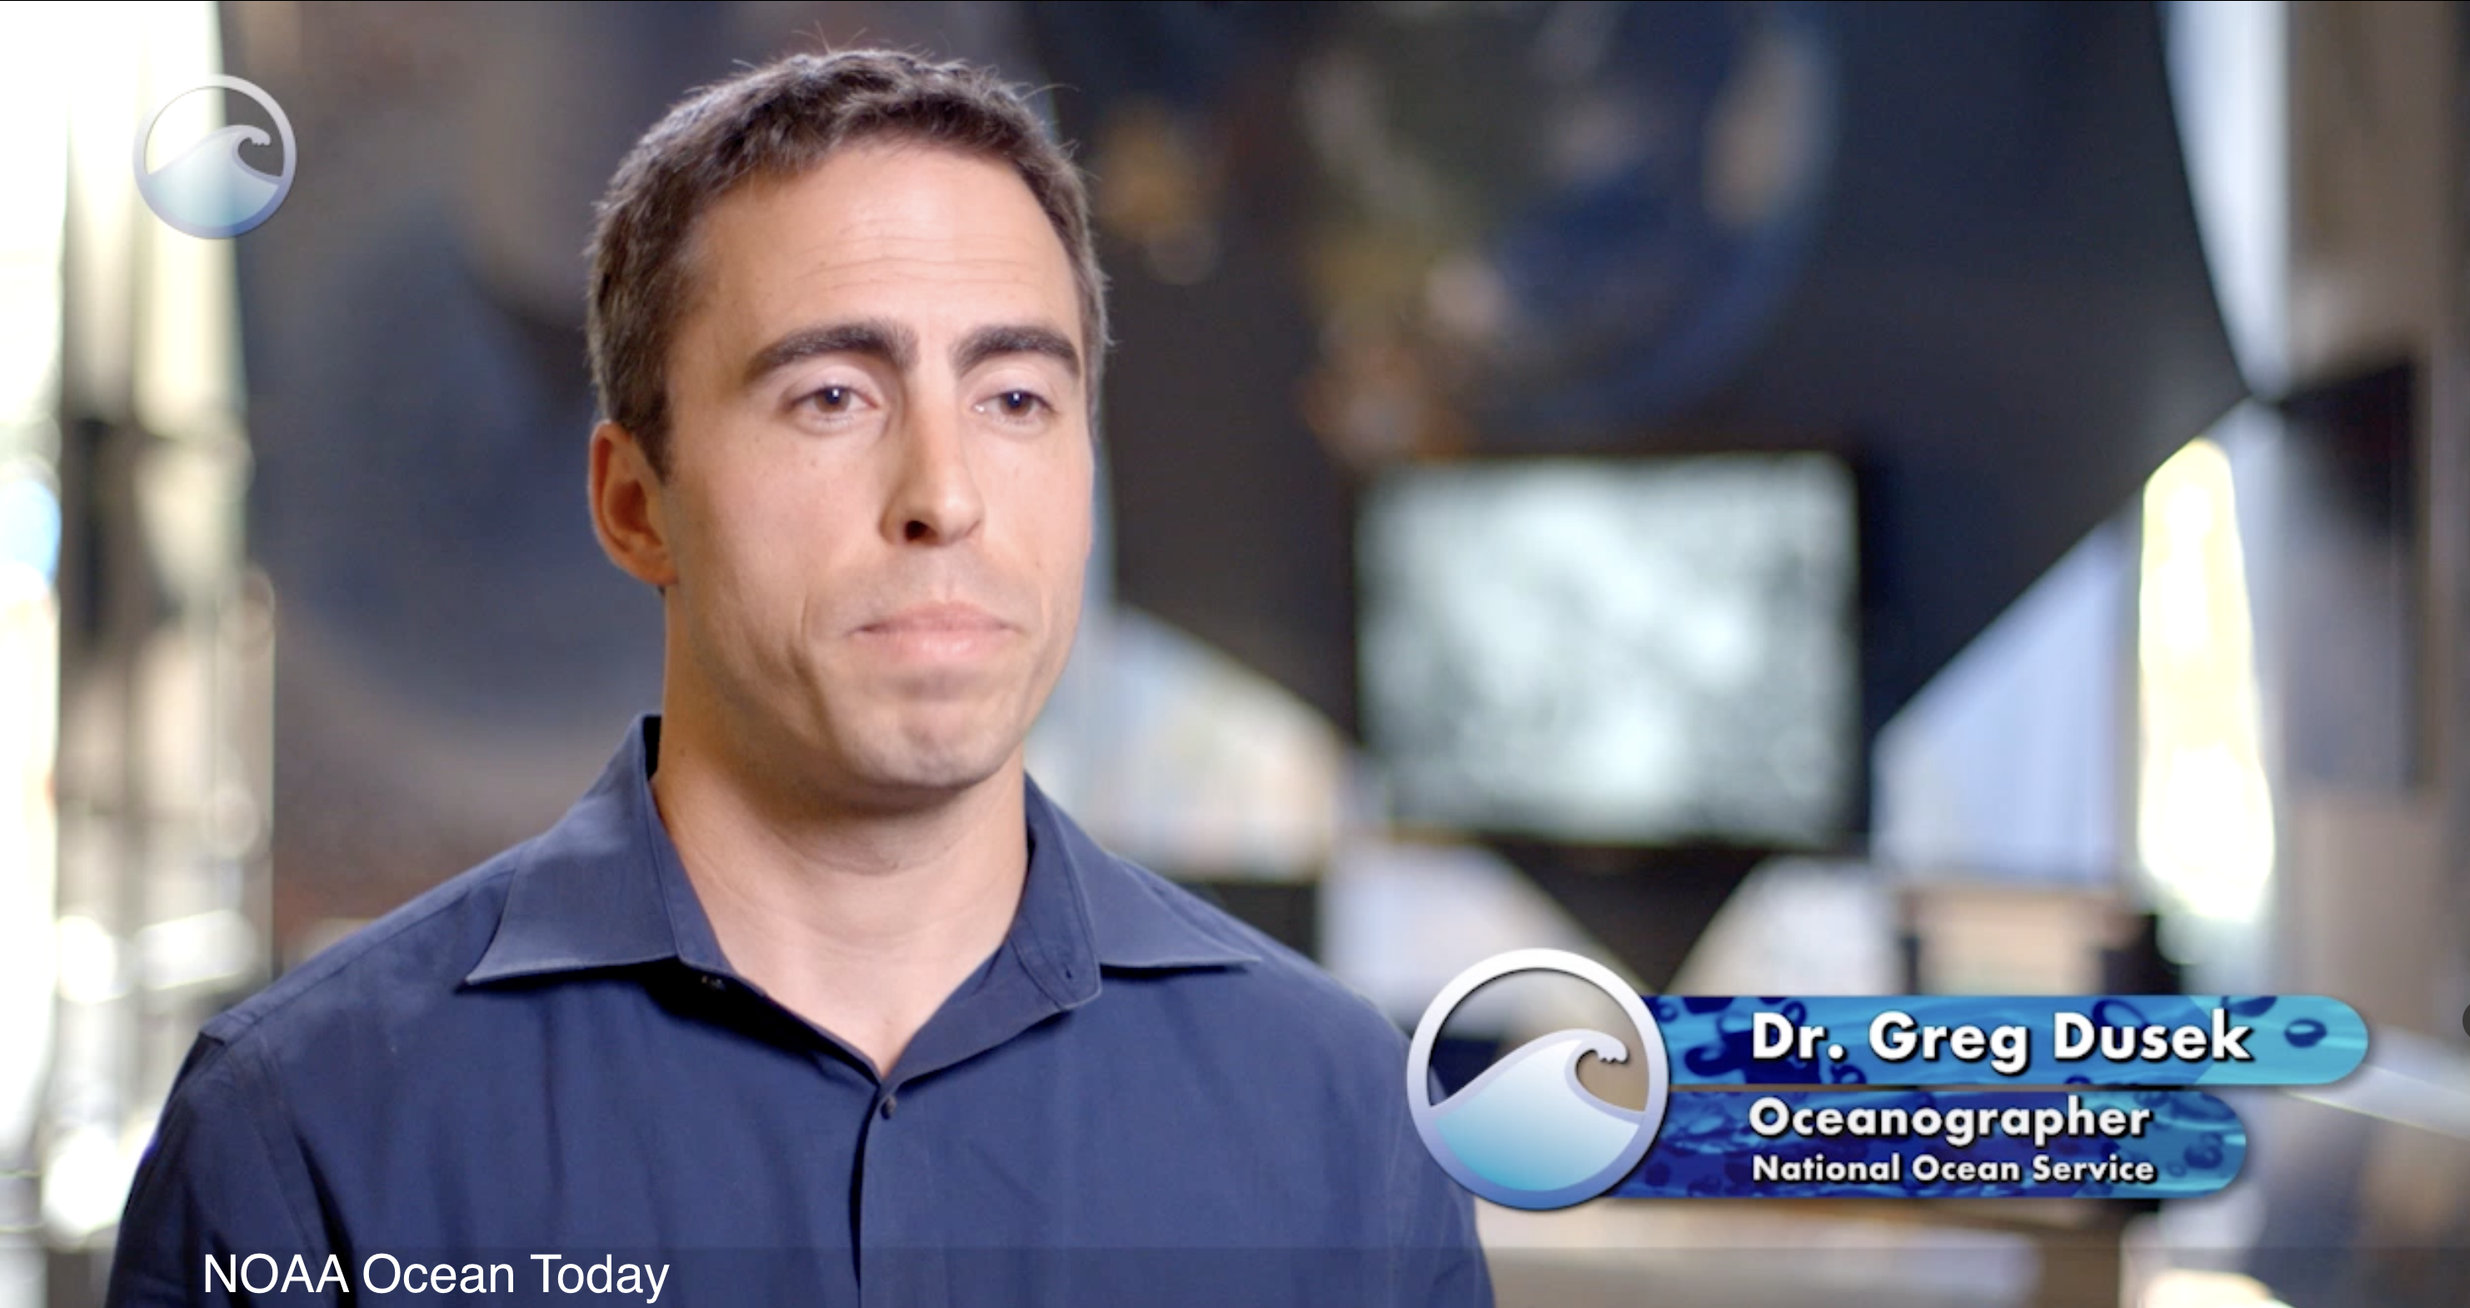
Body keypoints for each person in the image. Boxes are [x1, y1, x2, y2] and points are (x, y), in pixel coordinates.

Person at [106, 48, 1491, 1306]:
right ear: (636, 503)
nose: (944, 496)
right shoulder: (312, 1131)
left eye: (1016, 398)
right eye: (833, 395)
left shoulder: (1341, 1122)